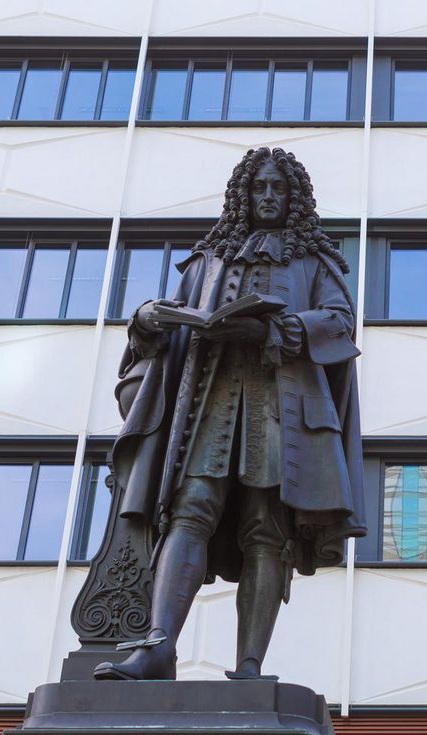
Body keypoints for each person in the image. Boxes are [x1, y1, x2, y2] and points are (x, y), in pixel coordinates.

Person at [94, 147, 364, 681]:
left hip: (281, 409)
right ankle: (158, 646)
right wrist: (147, 320)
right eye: (259, 188)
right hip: (211, 402)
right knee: (190, 509)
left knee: (265, 529)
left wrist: (275, 330)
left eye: (277, 189)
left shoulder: (316, 262)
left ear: (294, 199)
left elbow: (339, 323)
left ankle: (248, 668)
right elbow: (167, 326)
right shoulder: (208, 260)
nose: (267, 197)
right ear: (243, 195)